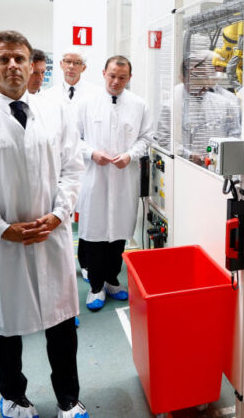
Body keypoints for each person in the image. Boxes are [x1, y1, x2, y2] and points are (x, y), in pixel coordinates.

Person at [0, 30, 87, 418]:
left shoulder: (56, 111)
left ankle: (68, 398)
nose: (13, 65)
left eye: (20, 59)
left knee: (61, 325)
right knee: (5, 328)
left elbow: (73, 171)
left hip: (51, 235)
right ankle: (13, 396)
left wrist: (59, 215)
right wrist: (0, 227)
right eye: (4, 59)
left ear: (31, 66)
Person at [75, 55, 152, 311]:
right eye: (112, 76)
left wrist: (130, 155)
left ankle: (112, 280)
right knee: (95, 234)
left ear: (129, 77)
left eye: (122, 77)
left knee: (118, 234)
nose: (116, 82)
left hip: (123, 178)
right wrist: (91, 153)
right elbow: (74, 139)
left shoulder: (139, 105)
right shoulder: (86, 103)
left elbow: (145, 138)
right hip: (95, 178)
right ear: (103, 73)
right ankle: (96, 287)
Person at [43, 48, 100, 282]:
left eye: (76, 63)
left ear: (83, 68)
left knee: (86, 215)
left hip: (89, 163)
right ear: (60, 64)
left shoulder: (95, 93)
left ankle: (86, 263)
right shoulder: (49, 95)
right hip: (59, 163)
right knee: (61, 212)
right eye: (67, 61)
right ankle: (62, 265)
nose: (71, 66)